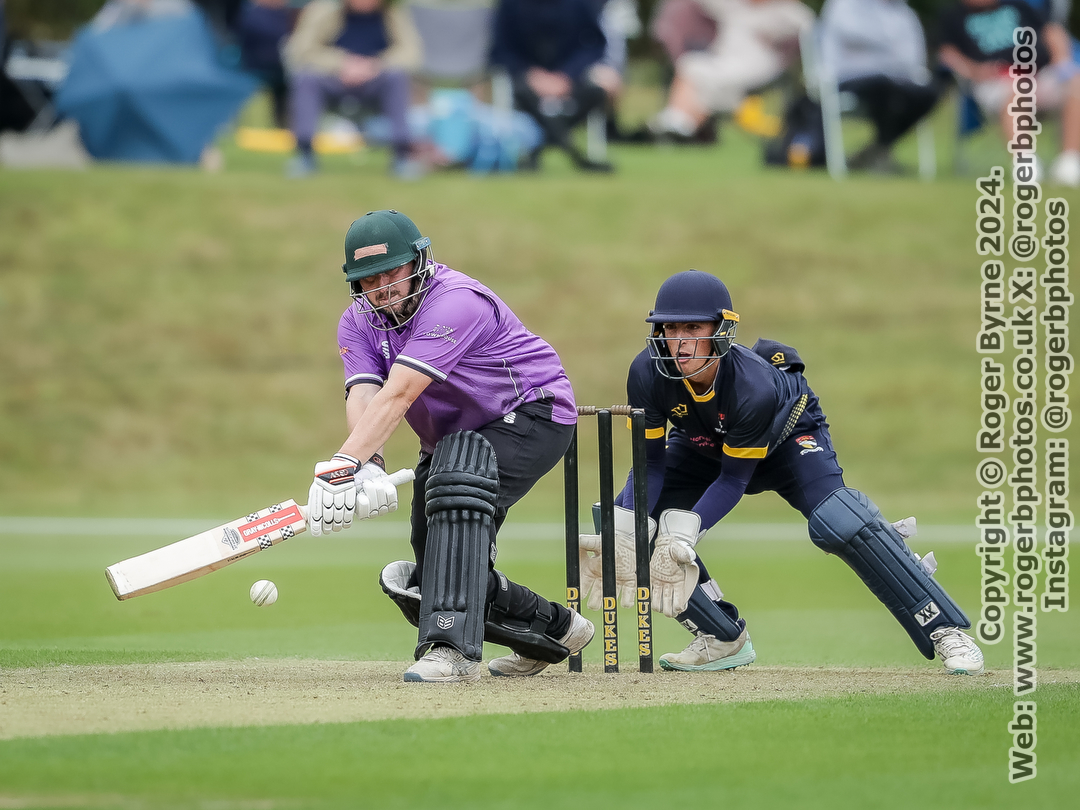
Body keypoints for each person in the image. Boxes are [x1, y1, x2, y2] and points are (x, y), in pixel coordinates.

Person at [588, 269, 984, 675]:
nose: (680, 341)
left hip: (787, 440)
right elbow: (651, 464)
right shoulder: (646, 373)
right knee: (628, 522)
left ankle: (946, 630)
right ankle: (722, 637)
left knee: (841, 521)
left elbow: (733, 480)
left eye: (693, 327)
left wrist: (685, 533)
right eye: (669, 328)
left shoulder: (752, 386)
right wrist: (628, 528)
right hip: (704, 444)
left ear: (721, 331)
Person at [309, 209, 593, 683]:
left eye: (390, 272)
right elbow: (364, 392)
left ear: (419, 260)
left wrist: (342, 465)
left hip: (532, 412)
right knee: (433, 569)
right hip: (449, 438)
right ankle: (556, 629)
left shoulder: (456, 303)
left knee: (454, 500)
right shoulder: (356, 321)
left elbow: (399, 393)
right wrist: (368, 465)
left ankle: (451, 651)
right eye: (366, 279)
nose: (380, 287)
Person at [938, 0, 1080, 186]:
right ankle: (1025, 163)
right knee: (1016, 92)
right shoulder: (953, 17)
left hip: (1039, 75)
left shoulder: (1018, 6)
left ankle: (1068, 163)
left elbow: (1052, 31)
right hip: (994, 82)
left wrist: (1062, 61)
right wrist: (974, 71)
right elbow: (947, 55)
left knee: (1075, 83)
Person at [282, 0, 423, 178]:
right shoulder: (323, 10)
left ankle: (402, 156)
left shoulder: (394, 14)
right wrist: (342, 64)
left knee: (398, 77)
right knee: (306, 78)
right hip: (333, 78)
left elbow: (412, 54)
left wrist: (375, 65)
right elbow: (301, 51)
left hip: (376, 79)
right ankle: (305, 154)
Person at [648, 0, 813, 141]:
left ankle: (679, 123)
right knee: (692, 65)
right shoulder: (734, 6)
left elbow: (809, 34)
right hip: (722, 61)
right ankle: (680, 125)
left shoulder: (790, 14)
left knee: (698, 72)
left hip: (759, 67)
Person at [489, 0, 614, 171]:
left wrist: (567, 76)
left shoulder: (580, 3)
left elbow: (595, 45)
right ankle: (576, 156)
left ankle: (536, 150)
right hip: (526, 84)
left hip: (570, 81)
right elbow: (499, 50)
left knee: (597, 93)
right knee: (521, 92)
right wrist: (531, 74)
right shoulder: (511, 4)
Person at [819, 0, 940, 173]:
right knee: (882, 86)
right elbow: (850, 32)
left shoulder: (903, 12)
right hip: (849, 77)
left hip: (894, 80)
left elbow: (913, 56)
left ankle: (879, 148)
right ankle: (879, 155)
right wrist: (889, 42)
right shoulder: (844, 4)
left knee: (928, 92)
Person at [237, 0, 295, 129]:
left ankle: (286, 127)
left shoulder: (287, 15)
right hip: (257, 68)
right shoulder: (252, 14)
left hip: (283, 70)